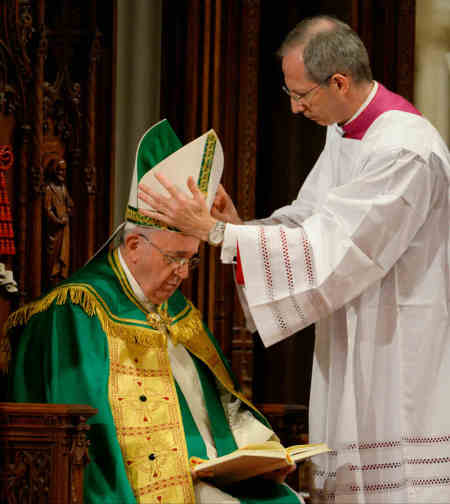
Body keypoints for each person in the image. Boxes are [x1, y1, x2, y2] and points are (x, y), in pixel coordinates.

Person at [137, 15, 450, 504]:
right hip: (354, 330)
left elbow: (343, 251)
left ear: (340, 82)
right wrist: (240, 228)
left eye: (301, 95)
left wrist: (218, 234)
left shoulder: (404, 150)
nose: (296, 108)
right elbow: (313, 221)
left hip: (396, 341)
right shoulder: (346, 131)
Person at [2, 123, 301, 504]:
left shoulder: (175, 308)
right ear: (133, 245)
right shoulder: (79, 311)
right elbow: (85, 439)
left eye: (190, 261)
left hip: (207, 475)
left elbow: (217, 402)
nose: (181, 274)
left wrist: (263, 450)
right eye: (174, 258)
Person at [43, 155, 74, 286]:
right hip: (54, 230)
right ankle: (51, 281)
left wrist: (68, 211)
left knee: (64, 258)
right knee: (53, 259)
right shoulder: (49, 189)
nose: (62, 173)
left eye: (64, 170)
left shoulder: (63, 188)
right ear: (53, 171)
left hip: (64, 228)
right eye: (59, 170)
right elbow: (47, 209)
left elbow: (70, 204)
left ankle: (61, 278)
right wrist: (57, 220)